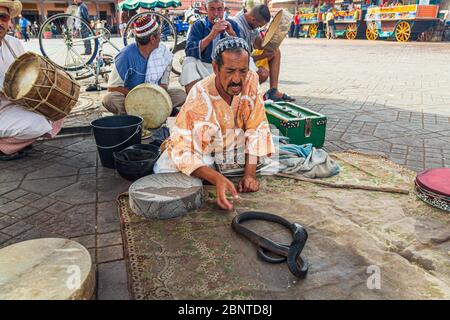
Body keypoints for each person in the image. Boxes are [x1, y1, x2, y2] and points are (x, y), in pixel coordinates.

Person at [154, 37, 274, 210]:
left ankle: (225, 171)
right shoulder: (200, 95)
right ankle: (217, 174)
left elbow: (256, 127)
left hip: (235, 144)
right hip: (204, 148)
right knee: (166, 166)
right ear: (216, 68)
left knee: (268, 153)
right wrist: (217, 179)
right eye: (230, 71)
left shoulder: (251, 80)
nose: (237, 79)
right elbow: (183, 147)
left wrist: (249, 175)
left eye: (243, 71)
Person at [0, 0, 64, 160]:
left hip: (16, 103)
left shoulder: (13, 43)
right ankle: (3, 146)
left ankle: (16, 140)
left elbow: (27, 71)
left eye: (3, 17)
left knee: (59, 106)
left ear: (9, 20)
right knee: (37, 125)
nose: (0, 22)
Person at [102, 16, 186, 116]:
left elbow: (163, 86)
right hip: (131, 99)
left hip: (155, 97)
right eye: (159, 33)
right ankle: (152, 113)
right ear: (152, 39)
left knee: (181, 96)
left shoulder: (163, 53)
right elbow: (112, 87)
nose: (161, 36)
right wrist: (139, 95)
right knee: (109, 99)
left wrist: (151, 97)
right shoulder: (126, 55)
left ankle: (142, 113)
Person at [233, 4, 295, 102]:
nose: (258, 27)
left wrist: (274, 38)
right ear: (253, 20)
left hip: (248, 59)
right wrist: (263, 55)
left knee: (275, 52)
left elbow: (259, 45)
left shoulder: (251, 22)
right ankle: (246, 95)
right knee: (262, 74)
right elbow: (241, 59)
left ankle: (273, 91)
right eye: (259, 25)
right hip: (238, 64)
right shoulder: (237, 25)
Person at [180, 0, 241, 94]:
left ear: (224, 10)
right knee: (188, 61)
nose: (216, 14)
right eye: (212, 9)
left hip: (225, 68)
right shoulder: (198, 25)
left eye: (220, 9)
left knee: (250, 63)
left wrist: (232, 34)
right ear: (206, 9)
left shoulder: (232, 25)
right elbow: (189, 51)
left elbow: (242, 52)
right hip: (204, 66)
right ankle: (193, 100)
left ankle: (243, 101)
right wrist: (212, 35)